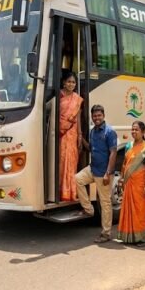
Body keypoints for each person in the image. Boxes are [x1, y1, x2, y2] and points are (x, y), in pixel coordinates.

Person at [75, 104, 118, 243]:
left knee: (105, 203)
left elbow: (113, 153)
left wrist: (108, 173)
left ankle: (106, 233)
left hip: (104, 173)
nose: (97, 118)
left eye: (99, 115)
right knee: (78, 179)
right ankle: (89, 209)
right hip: (93, 169)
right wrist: (80, 139)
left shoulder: (109, 132)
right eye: (94, 116)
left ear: (103, 116)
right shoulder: (93, 131)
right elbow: (91, 149)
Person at [116, 121, 145, 246]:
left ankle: (144, 238)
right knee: (128, 209)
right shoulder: (129, 146)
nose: (134, 132)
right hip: (129, 183)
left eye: (137, 130)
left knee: (140, 210)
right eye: (132, 129)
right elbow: (125, 164)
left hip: (141, 184)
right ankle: (129, 237)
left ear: (143, 132)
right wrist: (121, 178)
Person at [59, 70, 83, 201]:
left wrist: (79, 135)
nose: (71, 84)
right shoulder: (59, 96)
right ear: (63, 82)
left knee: (72, 161)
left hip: (72, 133)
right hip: (60, 134)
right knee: (61, 161)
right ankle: (61, 190)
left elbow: (78, 117)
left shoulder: (77, 99)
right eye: (69, 81)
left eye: (73, 82)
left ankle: (70, 192)